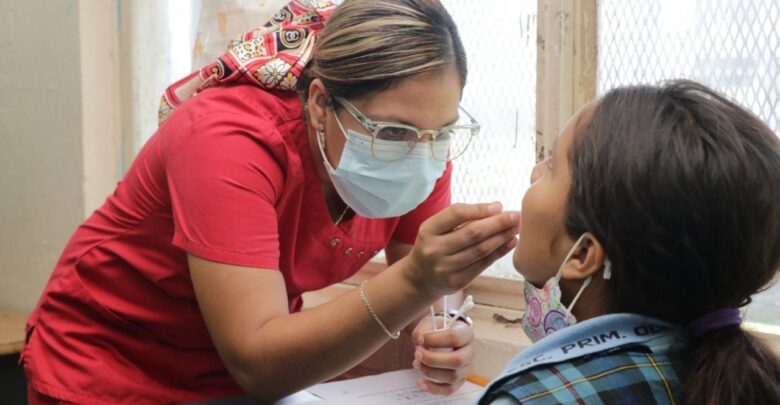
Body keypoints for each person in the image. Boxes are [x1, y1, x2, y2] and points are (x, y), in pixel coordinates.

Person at [22, 1, 520, 403]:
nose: (422, 153)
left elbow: (426, 286)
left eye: (442, 132)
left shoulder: (420, 144)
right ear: (322, 103)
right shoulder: (226, 138)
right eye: (392, 132)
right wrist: (417, 282)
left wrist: (443, 328)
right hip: (112, 366)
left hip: (237, 378)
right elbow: (258, 361)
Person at [476, 80, 780, 404]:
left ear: (582, 253)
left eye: (552, 165)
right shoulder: (738, 382)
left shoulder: (528, 399)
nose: (535, 173)